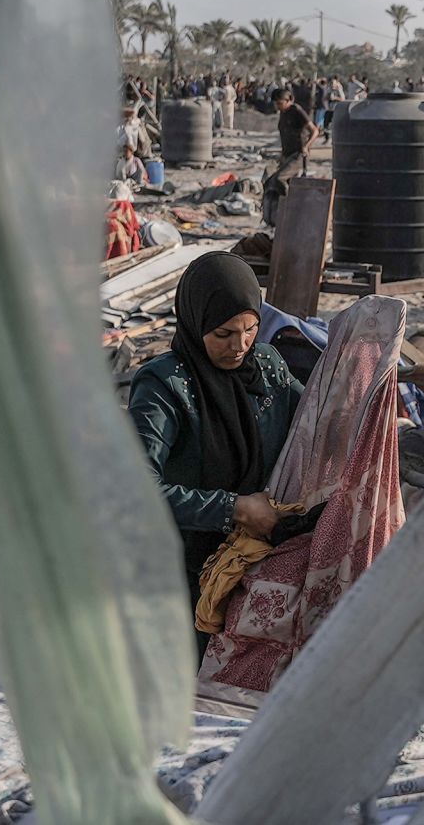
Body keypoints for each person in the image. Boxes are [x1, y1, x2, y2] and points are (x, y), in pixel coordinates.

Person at [127, 252, 304, 656]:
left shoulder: (267, 367)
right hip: (179, 569)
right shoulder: (164, 386)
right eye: (223, 333)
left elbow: (314, 418)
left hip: (255, 556)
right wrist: (234, 508)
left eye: (250, 329)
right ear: (195, 322)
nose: (239, 346)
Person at [262, 88, 319, 225]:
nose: (278, 106)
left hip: (299, 155)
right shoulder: (283, 113)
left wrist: (306, 146)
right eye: (276, 104)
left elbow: (315, 131)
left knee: (280, 179)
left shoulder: (296, 111)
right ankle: (272, 216)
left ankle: (291, 209)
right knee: (269, 181)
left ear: (289, 101)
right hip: (287, 155)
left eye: (281, 103)